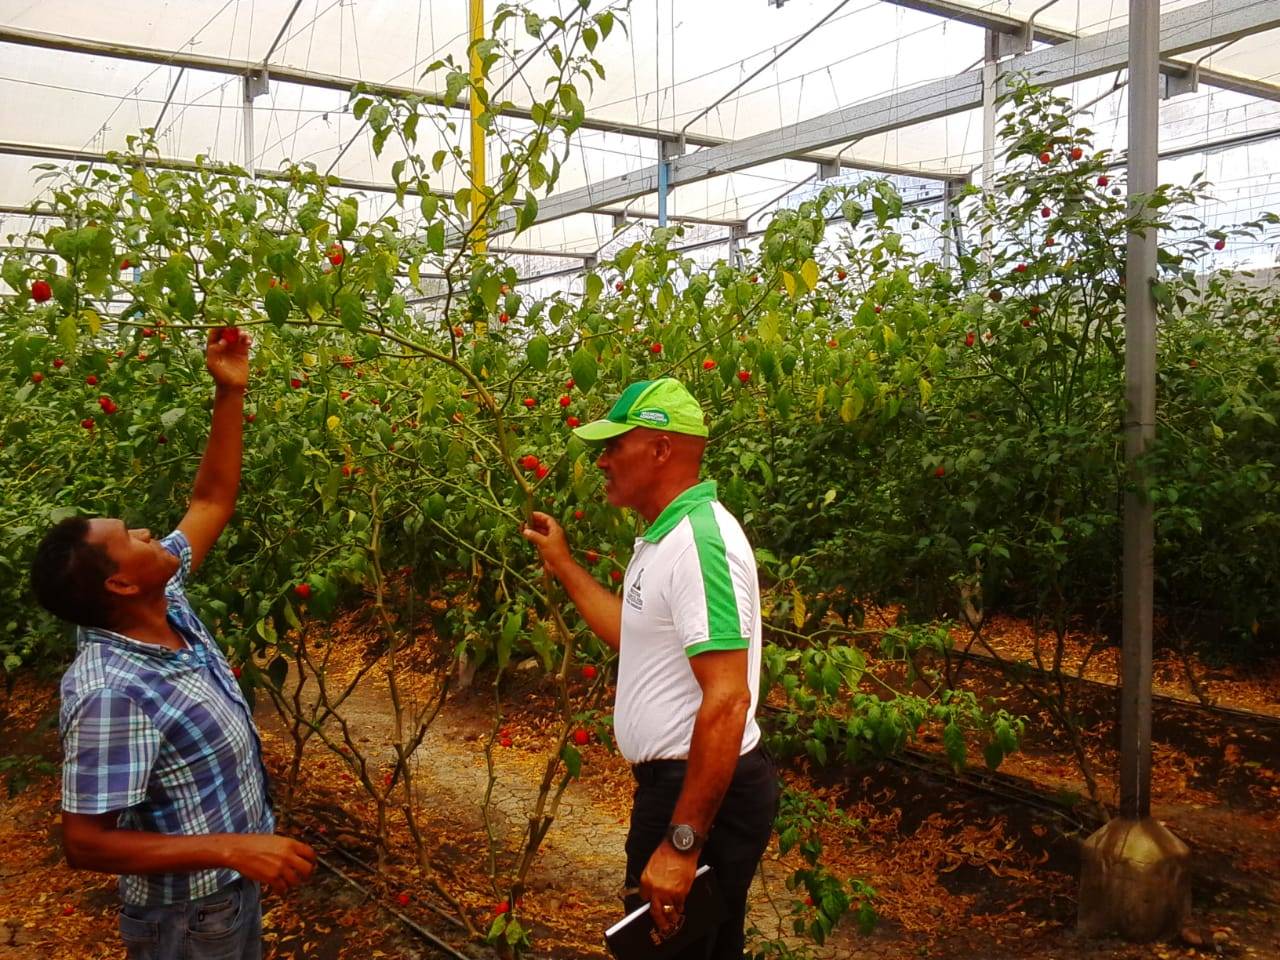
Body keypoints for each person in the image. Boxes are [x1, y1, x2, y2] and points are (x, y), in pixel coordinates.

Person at [29, 329, 316, 960]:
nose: (145, 529)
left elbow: (211, 499)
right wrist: (232, 846)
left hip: (225, 895)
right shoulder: (112, 691)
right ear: (120, 581)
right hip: (186, 920)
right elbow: (86, 843)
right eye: (128, 536)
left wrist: (229, 392)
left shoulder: (164, 599)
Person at [522, 377, 779, 960]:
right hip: (677, 787)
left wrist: (683, 843)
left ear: (662, 448)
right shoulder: (663, 542)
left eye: (615, 445)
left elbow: (728, 700)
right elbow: (630, 635)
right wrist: (563, 564)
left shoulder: (700, 544)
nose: (603, 460)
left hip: (700, 793)